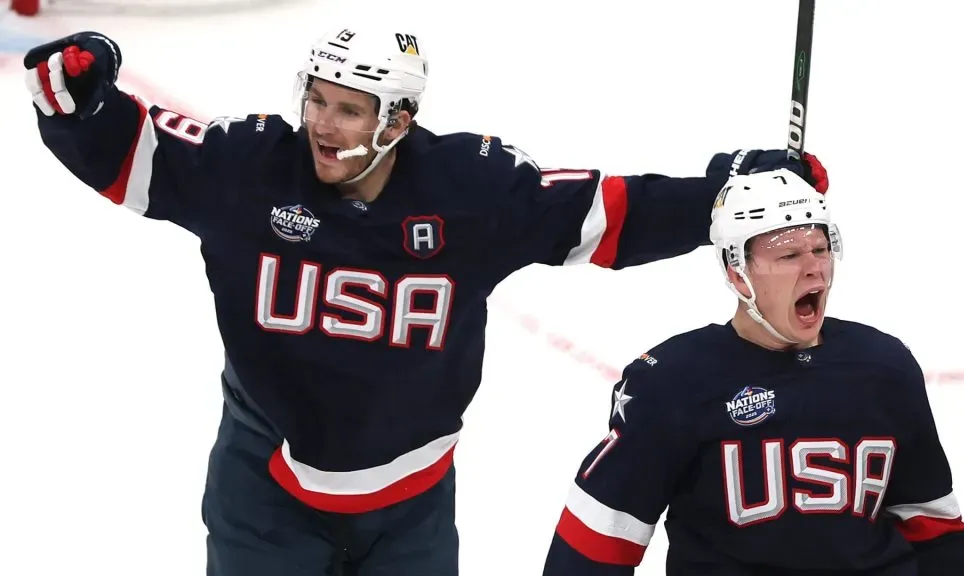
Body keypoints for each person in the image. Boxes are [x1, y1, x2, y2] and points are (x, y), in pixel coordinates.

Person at [23, 25, 829, 576]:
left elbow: (608, 214)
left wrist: (731, 188)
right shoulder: (250, 166)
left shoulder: (469, 192)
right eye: (317, 98)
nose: (322, 125)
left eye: (348, 109)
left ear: (399, 119)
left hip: (410, 509)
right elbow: (131, 153)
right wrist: (74, 100)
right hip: (263, 491)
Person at [540, 168, 964, 575]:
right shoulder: (674, 382)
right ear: (738, 274)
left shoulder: (883, 366)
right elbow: (598, 541)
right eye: (788, 255)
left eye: (820, 248)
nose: (814, 268)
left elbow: (934, 530)